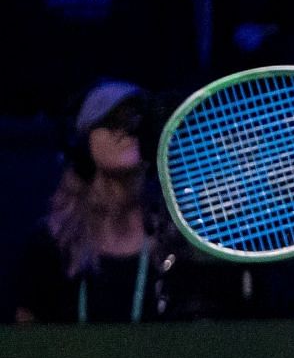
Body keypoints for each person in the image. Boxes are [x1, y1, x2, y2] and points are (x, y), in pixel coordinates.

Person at [12, 82, 260, 325]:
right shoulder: (51, 241)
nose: (125, 131)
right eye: (110, 121)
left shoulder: (183, 235)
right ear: (81, 143)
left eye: (135, 122)